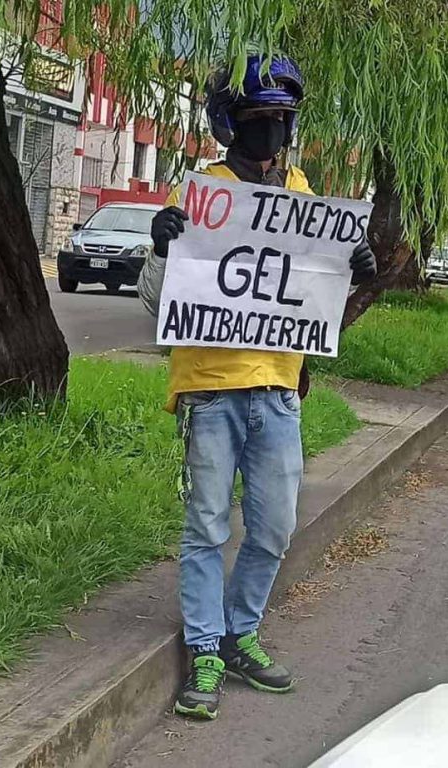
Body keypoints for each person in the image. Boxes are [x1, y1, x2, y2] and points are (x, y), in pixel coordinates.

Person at [137, 54, 377, 720]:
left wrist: (352, 267)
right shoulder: (195, 194)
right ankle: (206, 649)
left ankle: (242, 632)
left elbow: (311, 294)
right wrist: (160, 248)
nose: (271, 130)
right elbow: (154, 307)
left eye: (281, 119)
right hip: (210, 391)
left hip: (278, 390)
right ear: (231, 125)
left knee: (274, 528)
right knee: (206, 527)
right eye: (258, 119)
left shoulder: (304, 196)